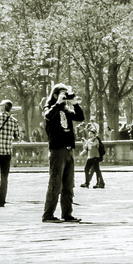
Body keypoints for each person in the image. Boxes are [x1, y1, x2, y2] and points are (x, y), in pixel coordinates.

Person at [42, 85, 84, 223]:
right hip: (57, 150)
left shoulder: (66, 110)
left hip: (68, 150)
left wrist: (75, 103)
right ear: (55, 95)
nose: (65, 97)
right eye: (63, 94)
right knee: (55, 183)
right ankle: (48, 215)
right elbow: (48, 116)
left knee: (68, 185)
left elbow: (80, 117)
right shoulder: (49, 108)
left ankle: (67, 214)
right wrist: (58, 103)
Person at [80, 122, 105, 189]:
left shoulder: (96, 140)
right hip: (90, 157)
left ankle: (98, 183)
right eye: (89, 134)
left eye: (91, 133)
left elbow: (93, 144)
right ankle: (87, 182)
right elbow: (86, 148)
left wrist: (86, 141)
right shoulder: (89, 140)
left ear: (94, 134)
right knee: (86, 169)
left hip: (95, 157)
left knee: (97, 171)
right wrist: (83, 145)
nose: (90, 135)